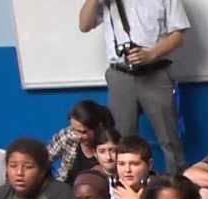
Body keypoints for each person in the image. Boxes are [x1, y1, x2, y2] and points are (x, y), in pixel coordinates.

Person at [78, 0, 188, 174]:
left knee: (169, 139)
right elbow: (84, 25)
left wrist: (150, 54)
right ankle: (123, 190)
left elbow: (178, 35)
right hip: (120, 74)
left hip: (156, 72)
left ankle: (176, 186)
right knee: (120, 140)